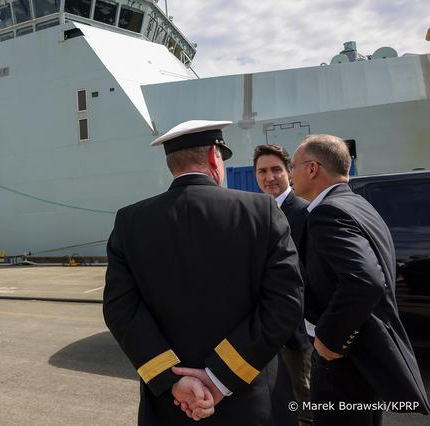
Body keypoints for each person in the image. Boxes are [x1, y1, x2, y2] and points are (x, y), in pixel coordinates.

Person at [103, 120, 304, 425]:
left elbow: (121, 309)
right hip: (251, 401)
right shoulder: (262, 211)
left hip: (169, 406)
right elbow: (285, 302)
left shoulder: (130, 221)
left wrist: (172, 380)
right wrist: (220, 376)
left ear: (172, 164)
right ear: (214, 157)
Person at [291, 134, 430, 426]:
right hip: (359, 358)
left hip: (341, 361)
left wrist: (330, 339)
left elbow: (364, 280)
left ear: (313, 168)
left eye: (293, 166)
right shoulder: (358, 204)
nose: (291, 174)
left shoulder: (328, 213)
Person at [253, 144, 312, 426]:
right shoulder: (260, 212)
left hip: (297, 334)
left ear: (289, 172)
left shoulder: (302, 213)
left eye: (276, 169)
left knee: (305, 404)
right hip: (268, 332)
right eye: (262, 171)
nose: (269, 177)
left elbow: (307, 276)